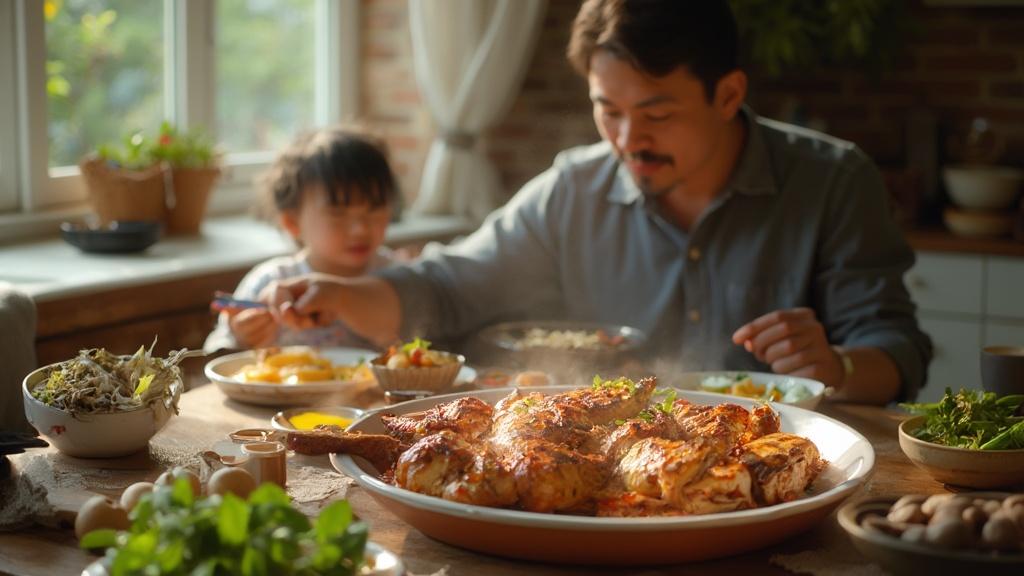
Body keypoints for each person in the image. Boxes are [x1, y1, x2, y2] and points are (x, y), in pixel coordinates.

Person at [264, 0, 932, 404]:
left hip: (779, 468)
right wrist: (342, 293)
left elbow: (897, 350)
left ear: (728, 95)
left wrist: (838, 366)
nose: (627, 140)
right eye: (605, 111)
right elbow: (448, 288)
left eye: (657, 113)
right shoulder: (570, 190)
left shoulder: (834, 181)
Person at [204, 126, 398, 352]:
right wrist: (241, 339)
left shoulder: (397, 278)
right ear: (292, 223)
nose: (360, 229)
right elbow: (215, 352)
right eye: (338, 214)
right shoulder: (270, 282)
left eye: (375, 210)